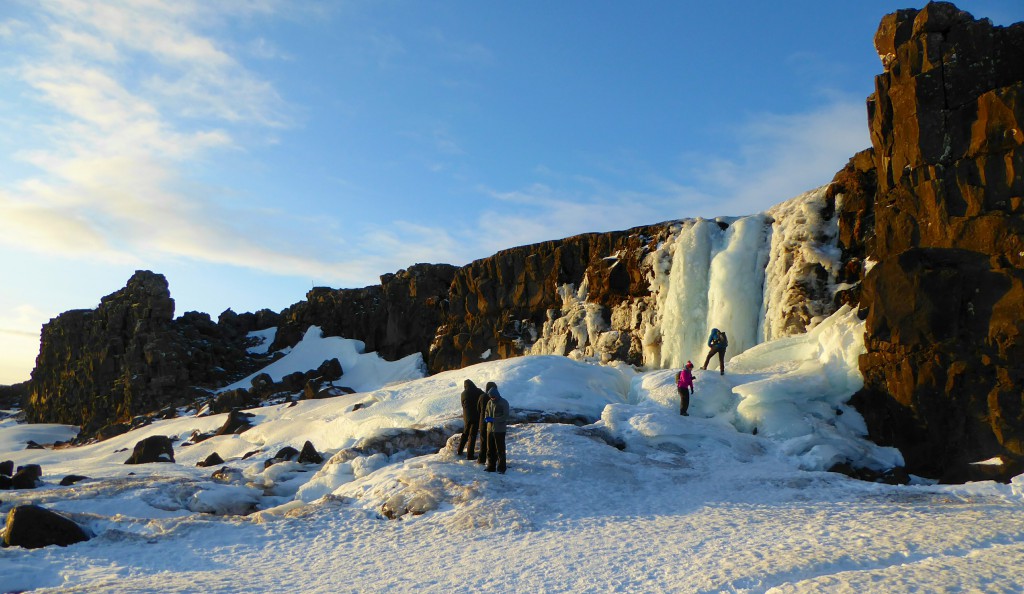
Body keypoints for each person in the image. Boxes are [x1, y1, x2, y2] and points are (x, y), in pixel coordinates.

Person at [483, 382, 510, 474]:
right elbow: (486, 412)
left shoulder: (504, 402)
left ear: (497, 395)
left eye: (493, 397)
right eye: (491, 397)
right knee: (490, 449)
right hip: (489, 429)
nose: (492, 398)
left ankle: (501, 467)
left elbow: (505, 416)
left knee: (500, 449)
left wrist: (494, 419)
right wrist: (487, 418)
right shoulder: (489, 402)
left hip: (499, 430)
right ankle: (491, 466)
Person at [457, 379, 484, 459]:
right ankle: (470, 455)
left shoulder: (463, 393)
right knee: (472, 435)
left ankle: (459, 450)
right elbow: (484, 398)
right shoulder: (478, 391)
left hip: (466, 416)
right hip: (476, 415)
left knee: (465, 433)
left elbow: (462, 404)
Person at [476, 384, 491, 465]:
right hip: (491, 422)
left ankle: (481, 459)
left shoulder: (482, 396)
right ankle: (491, 459)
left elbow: (478, 408)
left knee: (483, 441)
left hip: (482, 421)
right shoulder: (493, 397)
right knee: (491, 442)